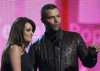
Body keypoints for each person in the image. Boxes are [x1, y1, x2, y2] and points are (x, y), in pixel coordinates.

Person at [28, 4, 100, 71]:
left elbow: (88, 63)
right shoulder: (35, 46)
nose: (56, 20)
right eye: (51, 17)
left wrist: (91, 55)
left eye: (58, 16)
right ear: (42, 20)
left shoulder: (75, 38)